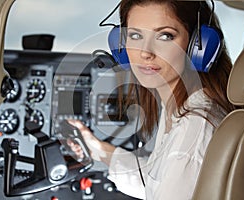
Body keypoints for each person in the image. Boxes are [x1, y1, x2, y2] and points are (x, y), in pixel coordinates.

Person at [68, 0, 234, 199]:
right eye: (135, 36)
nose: (145, 53)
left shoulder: (193, 129)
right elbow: (156, 181)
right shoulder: (184, 106)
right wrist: (97, 149)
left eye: (165, 36)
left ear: (197, 46)